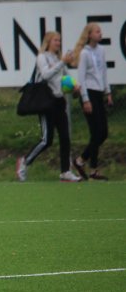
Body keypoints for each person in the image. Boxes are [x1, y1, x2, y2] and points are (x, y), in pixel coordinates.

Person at [17, 31, 83, 182]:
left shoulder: (58, 59)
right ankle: (24, 162)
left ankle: (65, 172)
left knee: (65, 137)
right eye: (55, 40)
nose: (58, 43)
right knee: (47, 140)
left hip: (59, 101)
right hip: (46, 102)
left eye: (59, 40)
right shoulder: (42, 57)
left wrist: (75, 87)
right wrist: (62, 62)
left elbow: (66, 77)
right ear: (48, 42)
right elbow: (46, 75)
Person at [69, 23, 113, 180]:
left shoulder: (101, 50)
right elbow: (81, 78)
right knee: (96, 132)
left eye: (100, 31)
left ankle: (83, 162)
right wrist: (86, 99)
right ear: (89, 35)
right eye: (97, 31)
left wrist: (108, 91)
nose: (100, 34)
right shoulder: (85, 53)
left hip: (99, 92)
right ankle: (90, 167)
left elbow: (103, 72)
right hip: (89, 93)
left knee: (103, 132)